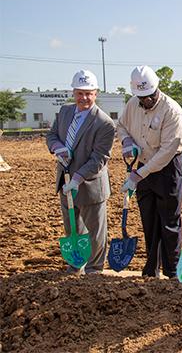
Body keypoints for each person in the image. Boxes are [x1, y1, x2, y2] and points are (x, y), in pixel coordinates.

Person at [116, 65, 182, 278]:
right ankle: (151, 269)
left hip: (168, 168)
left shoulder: (172, 111)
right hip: (143, 166)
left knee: (169, 220)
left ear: (157, 88)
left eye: (149, 95)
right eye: (141, 97)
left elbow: (166, 152)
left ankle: (173, 270)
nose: (146, 101)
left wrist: (138, 175)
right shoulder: (132, 105)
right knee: (149, 218)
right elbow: (121, 126)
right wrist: (127, 141)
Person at [46, 69, 116, 274]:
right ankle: (76, 264)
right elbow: (51, 135)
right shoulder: (65, 112)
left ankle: (95, 268)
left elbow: (99, 158)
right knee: (72, 228)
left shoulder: (104, 123)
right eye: (80, 93)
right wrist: (57, 147)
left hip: (90, 183)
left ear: (96, 94)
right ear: (73, 92)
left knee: (95, 231)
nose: (84, 97)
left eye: (88, 93)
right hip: (64, 180)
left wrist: (77, 179)